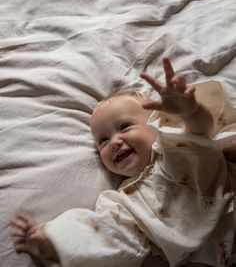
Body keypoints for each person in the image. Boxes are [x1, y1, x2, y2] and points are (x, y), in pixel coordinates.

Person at [10, 58, 236, 267]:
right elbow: (108, 233)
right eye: (103, 140)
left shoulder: (173, 150)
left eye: (125, 126)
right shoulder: (126, 202)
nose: (115, 142)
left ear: (156, 125)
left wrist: (190, 111)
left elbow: (200, 135)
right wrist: (52, 242)